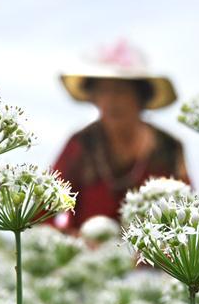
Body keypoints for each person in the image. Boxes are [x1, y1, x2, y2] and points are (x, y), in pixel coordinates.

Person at [53, 39, 191, 231]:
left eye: (121, 91)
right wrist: (71, 240)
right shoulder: (81, 143)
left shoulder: (168, 147)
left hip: (152, 257)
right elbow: (46, 205)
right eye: (103, 91)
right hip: (87, 256)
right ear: (93, 97)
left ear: (141, 97)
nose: (111, 101)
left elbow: (187, 210)